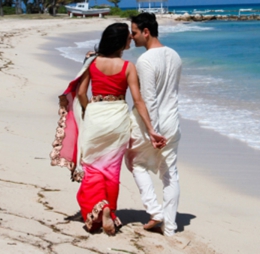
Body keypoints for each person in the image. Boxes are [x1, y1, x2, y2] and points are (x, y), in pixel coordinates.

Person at [52, 23, 165, 235]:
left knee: (92, 167)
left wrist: (89, 111)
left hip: (97, 115)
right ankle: (109, 211)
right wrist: (150, 129)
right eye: (128, 38)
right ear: (121, 41)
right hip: (118, 119)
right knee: (112, 170)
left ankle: (102, 209)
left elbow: (83, 93)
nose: (131, 39)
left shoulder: (93, 62)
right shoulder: (128, 67)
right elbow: (138, 101)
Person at [125, 12, 182, 236]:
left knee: (135, 163)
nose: (133, 37)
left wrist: (152, 131)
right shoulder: (175, 55)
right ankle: (170, 227)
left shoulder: (146, 60)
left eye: (135, 32)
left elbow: (149, 99)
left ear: (146, 32)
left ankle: (154, 211)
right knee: (170, 173)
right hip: (173, 121)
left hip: (152, 124)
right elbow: (172, 94)